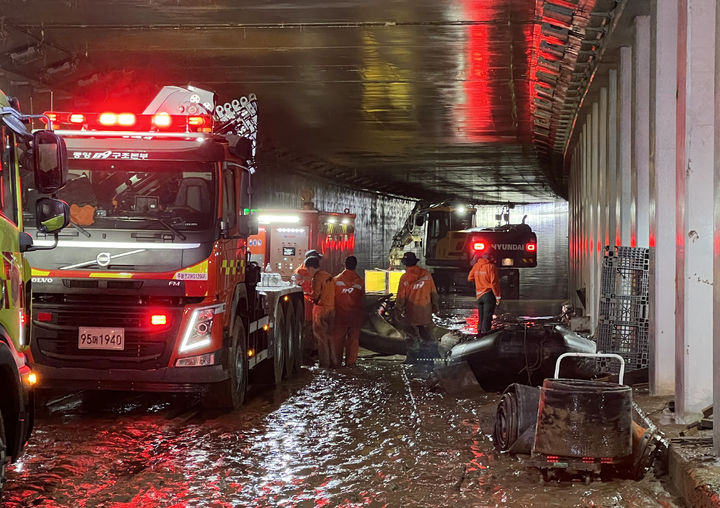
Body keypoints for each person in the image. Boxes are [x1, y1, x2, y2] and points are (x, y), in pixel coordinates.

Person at [394, 252, 439, 361]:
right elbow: (434, 293)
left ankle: (413, 359)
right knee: (428, 336)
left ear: (405, 264)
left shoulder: (405, 278)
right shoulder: (426, 274)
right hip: (425, 312)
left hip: (412, 313)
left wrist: (397, 311)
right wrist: (435, 306)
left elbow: (401, 298)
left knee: (411, 337)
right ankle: (429, 359)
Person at [333, 256, 365, 367]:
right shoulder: (360, 281)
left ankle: (337, 361)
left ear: (344, 264)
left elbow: (331, 297)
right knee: (353, 340)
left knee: (337, 339)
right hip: (355, 315)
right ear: (356, 265)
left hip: (339, 315)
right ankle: (350, 363)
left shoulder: (336, 280)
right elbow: (362, 298)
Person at [292, 250, 323, 363]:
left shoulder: (302, 271)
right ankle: (306, 356)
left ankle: (309, 354)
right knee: (307, 331)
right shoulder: (304, 272)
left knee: (309, 330)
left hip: (309, 305)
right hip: (307, 306)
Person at [305, 256, 336, 368]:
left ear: (311, 268)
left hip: (321, 310)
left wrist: (306, 295)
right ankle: (333, 361)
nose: (308, 272)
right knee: (329, 337)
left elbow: (315, 296)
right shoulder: (329, 276)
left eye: (308, 269)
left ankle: (324, 364)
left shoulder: (317, 278)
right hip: (332, 309)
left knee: (321, 338)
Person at [468, 250, 501, 334]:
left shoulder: (476, 266)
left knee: (481, 316)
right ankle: (485, 334)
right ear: (490, 257)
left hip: (479, 296)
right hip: (488, 295)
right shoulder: (491, 267)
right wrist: (498, 297)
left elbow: (470, 278)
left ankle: (479, 332)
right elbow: (494, 283)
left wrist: (479, 282)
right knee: (487, 316)